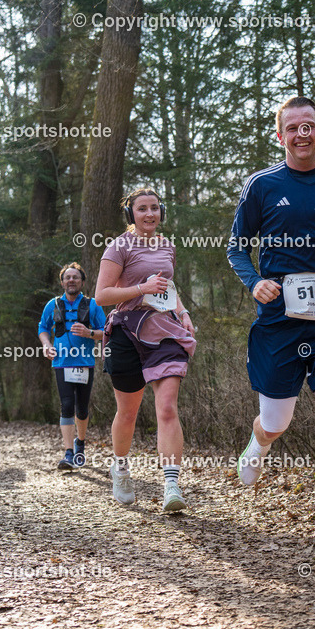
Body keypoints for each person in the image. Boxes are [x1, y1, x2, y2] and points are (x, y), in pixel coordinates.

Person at [226, 96, 315, 555]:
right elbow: (236, 248)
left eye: (309, 125)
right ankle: (260, 441)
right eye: (293, 128)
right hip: (279, 321)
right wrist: (256, 283)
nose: (302, 134)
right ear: (280, 136)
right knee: (277, 420)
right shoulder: (262, 186)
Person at [95, 188, 196, 510]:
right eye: (142, 209)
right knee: (128, 411)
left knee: (166, 407)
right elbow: (101, 296)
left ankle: (171, 485)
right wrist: (141, 288)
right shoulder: (119, 246)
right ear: (131, 215)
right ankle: (121, 467)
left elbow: (169, 289)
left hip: (165, 331)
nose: (150, 214)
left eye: (154, 208)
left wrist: (184, 313)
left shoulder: (167, 246)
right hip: (127, 331)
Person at [38, 262, 107, 470]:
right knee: (66, 405)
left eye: (75, 277)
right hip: (61, 363)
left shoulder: (92, 304)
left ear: (82, 282)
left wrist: (90, 333)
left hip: (85, 363)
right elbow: (42, 327)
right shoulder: (53, 304)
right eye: (67, 277)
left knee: (82, 409)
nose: (71, 280)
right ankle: (68, 453)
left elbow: (106, 330)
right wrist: (46, 345)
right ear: (62, 282)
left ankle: (80, 444)